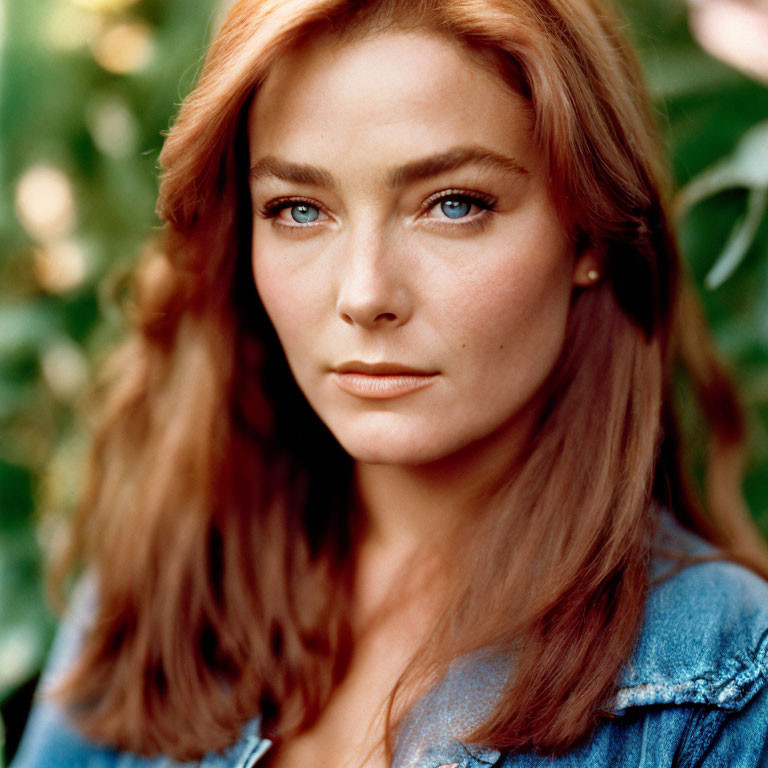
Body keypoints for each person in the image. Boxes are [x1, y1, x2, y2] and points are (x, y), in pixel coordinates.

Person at [11, 0, 768, 766]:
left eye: (454, 204)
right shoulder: (161, 585)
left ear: (590, 229)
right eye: (299, 209)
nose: (364, 294)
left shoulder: (723, 692)